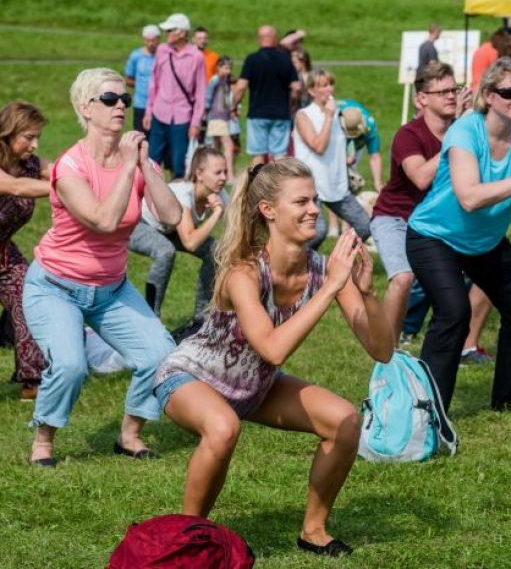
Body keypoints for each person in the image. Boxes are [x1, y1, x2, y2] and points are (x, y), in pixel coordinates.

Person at [154, 159, 393, 556]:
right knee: (223, 427)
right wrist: (331, 287)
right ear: (268, 210)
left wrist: (365, 294)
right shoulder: (243, 272)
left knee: (345, 420)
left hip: (254, 385)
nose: (314, 209)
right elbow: (273, 348)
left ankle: (313, 532)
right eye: (301, 201)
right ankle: (189, 538)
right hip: (190, 376)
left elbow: (381, 350)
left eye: (315, 200)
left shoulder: (321, 271)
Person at [22, 68, 182, 468]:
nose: (120, 107)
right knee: (72, 365)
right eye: (109, 99)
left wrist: (145, 166)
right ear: (86, 108)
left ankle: (130, 435)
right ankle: (44, 439)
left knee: (161, 354)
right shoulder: (69, 167)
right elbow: (103, 220)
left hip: (111, 290)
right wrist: (128, 167)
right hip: (55, 287)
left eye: (124, 100)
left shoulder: (136, 157)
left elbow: (172, 215)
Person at [407, 58, 511, 414]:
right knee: (453, 312)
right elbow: (469, 197)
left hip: (485, 243)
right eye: (510, 92)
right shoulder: (465, 131)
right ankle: (430, 410)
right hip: (434, 237)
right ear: (489, 95)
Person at [370, 62, 492, 362]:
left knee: (491, 271)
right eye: (442, 92)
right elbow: (421, 177)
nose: (451, 96)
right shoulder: (408, 135)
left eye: (454, 89)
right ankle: (388, 355)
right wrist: (457, 135)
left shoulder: (463, 130)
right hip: (395, 218)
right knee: (403, 278)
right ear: (421, 98)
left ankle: (467, 346)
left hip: (438, 221)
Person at [129, 146, 227, 321]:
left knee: (216, 250)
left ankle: (201, 316)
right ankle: (151, 317)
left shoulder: (219, 193)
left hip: (168, 229)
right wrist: (217, 213)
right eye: (218, 172)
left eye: (225, 172)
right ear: (199, 174)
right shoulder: (184, 194)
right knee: (165, 251)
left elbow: (234, 227)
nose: (224, 178)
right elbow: (190, 242)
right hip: (138, 223)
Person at [0, 102, 50, 401]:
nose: (35, 144)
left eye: (37, 137)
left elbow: (62, 171)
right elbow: (15, 187)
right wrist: (60, 186)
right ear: (8, 134)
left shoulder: (33, 165)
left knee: (29, 298)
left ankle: (32, 380)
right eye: (29, 137)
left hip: (5, 251)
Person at [294, 69, 371, 248]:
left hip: (336, 184)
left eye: (330, 84)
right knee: (318, 232)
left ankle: (339, 260)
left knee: (364, 226)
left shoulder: (338, 113)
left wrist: (347, 158)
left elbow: (338, 145)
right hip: (311, 186)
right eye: (323, 85)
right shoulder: (303, 115)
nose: (329, 89)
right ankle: (296, 267)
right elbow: (318, 147)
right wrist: (329, 116)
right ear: (312, 91)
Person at [144, 13, 207, 179]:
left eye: (170, 30)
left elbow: (200, 93)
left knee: (179, 164)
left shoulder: (196, 57)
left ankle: (177, 200)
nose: (166, 34)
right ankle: (146, 200)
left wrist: (195, 123)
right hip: (159, 113)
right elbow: (154, 82)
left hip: (182, 117)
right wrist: (148, 111)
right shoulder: (162, 50)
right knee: (151, 161)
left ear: (182, 33)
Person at [234, 25, 300, 166]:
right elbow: (296, 87)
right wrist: (292, 104)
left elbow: (240, 87)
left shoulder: (252, 60)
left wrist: (234, 105)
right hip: (281, 113)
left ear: (260, 39)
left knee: (258, 154)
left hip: (258, 113)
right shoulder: (285, 59)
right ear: (275, 38)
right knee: (280, 154)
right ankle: (279, 186)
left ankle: (258, 184)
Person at [337, 99, 384, 192]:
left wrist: (377, 183)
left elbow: (375, 156)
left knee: (349, 178)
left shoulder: (369, 127)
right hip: (334, 143)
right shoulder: (332, 120)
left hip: (357, 144)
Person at [124, 25, 160, 134]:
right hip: (141, 103)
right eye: (148, 40)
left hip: (159, 104)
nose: (151, 43)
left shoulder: (163, 55)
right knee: (140, 135)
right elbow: (128, 79)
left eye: (153, 40)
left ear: (158, 39)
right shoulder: (136, 56)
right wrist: (140, 84)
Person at [205, 56, 235, 182]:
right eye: (226, 68)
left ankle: (215, 172)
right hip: (216, 117)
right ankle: (229, 175)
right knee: (228, 145)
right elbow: (207, 97)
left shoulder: (225, 81)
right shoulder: (215, 80)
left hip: (222, 117)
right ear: (218, 68)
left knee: (216, 147)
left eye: (230, 68)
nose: (228, 71)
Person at [471, 28, 511, 92]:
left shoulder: (484, 47)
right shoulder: (493, 52)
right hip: (483, 89)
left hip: (476, 87)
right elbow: (497, 73)